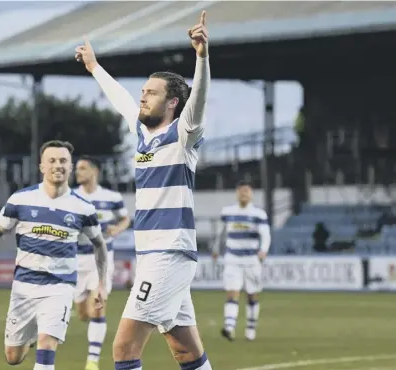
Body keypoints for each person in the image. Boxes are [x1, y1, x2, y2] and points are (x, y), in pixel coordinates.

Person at [75, 10, 212, 370]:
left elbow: (198, 103)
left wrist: (202, 58)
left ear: (172, 104)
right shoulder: (142, 134)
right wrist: (94, 67)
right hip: (151, 255)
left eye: (151, 93)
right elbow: (119, 97)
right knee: (185, 351)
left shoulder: (183, 137)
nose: (142, 98)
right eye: (143, 92)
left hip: (170, 254)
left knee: (123, 348)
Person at [0, 140, 108, 370]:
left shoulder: (83, 208)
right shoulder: (20, 199)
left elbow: (100, 245)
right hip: (24, 287)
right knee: (13, 357)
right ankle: (28, 338)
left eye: (63, 161)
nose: (58, 165)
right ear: (42, 167)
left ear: (70, 167)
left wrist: (101, 283)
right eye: (52, 161)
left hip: (60, 286)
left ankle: (43, 334)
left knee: (47, 344)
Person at [73, 155, 131, 370]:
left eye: (82, 168)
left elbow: (125, 218)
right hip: (77, 260)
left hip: (102, 259)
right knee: (83, 313)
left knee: (98, 307)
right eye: (77, 168)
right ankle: (86, 314)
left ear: (95, 171)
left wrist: (118, 228)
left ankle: (92, 361)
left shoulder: (112, 197)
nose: (77, 172)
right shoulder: (71, 197)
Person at [212, 180, 271, 341]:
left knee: (252, 295)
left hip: (252, 260)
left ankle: (251, 328)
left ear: (251, 194)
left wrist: (263, 250)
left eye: (247, 191)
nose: (244, 194)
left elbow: (265, 235)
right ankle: (229, 328)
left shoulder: (258, 214)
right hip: (232, 259)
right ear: (237, 193)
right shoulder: (228, 212)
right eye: (241, 191)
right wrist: (216, 249)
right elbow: (220, 232)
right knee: (232, 293)